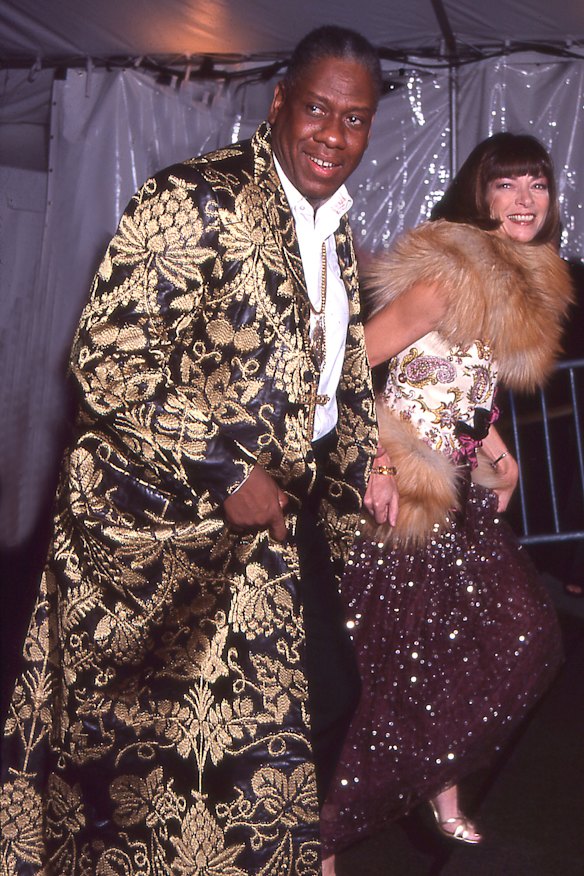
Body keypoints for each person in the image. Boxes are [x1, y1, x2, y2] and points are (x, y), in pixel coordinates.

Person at [0, 26, 382, 874]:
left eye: (355, 118)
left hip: (277, 522)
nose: (333, 134)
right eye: (317, 109)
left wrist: (365, 459)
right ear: (278, 103)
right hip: (169, 532)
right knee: (142, 757)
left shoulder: (331, 226)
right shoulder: (197, 197)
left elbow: (327, 368)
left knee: (308, 705)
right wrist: (226, 469)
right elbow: (108, 357)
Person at [320, 132, 574, 862]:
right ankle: (323, 832)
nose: (525, 199)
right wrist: (373, 461)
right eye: (507, 184)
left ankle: (439, 779)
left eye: (537, 184)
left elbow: (462, 381)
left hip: (456, 491)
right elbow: (350, 366)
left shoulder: (513, 282)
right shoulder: (448, 277)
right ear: (479, 194)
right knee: (374, 672)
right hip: (401, 497)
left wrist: (498, 452)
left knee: (512, 636)